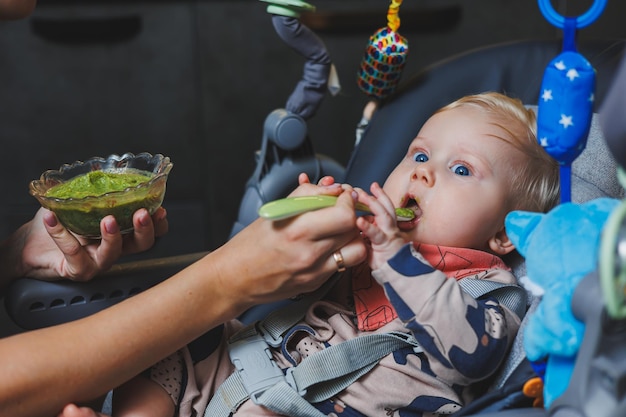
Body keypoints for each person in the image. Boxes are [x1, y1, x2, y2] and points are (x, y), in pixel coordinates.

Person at [105, 92, 560, 417]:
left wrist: (394, 254)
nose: (424, 175)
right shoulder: (362, 240)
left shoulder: (491, 292)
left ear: (504, 232)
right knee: (167, 343)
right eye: (420, 155)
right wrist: (315, 224)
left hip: (335, 406)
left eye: (461, 169)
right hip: (253, 366)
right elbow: (291, 279)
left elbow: (471, 355)